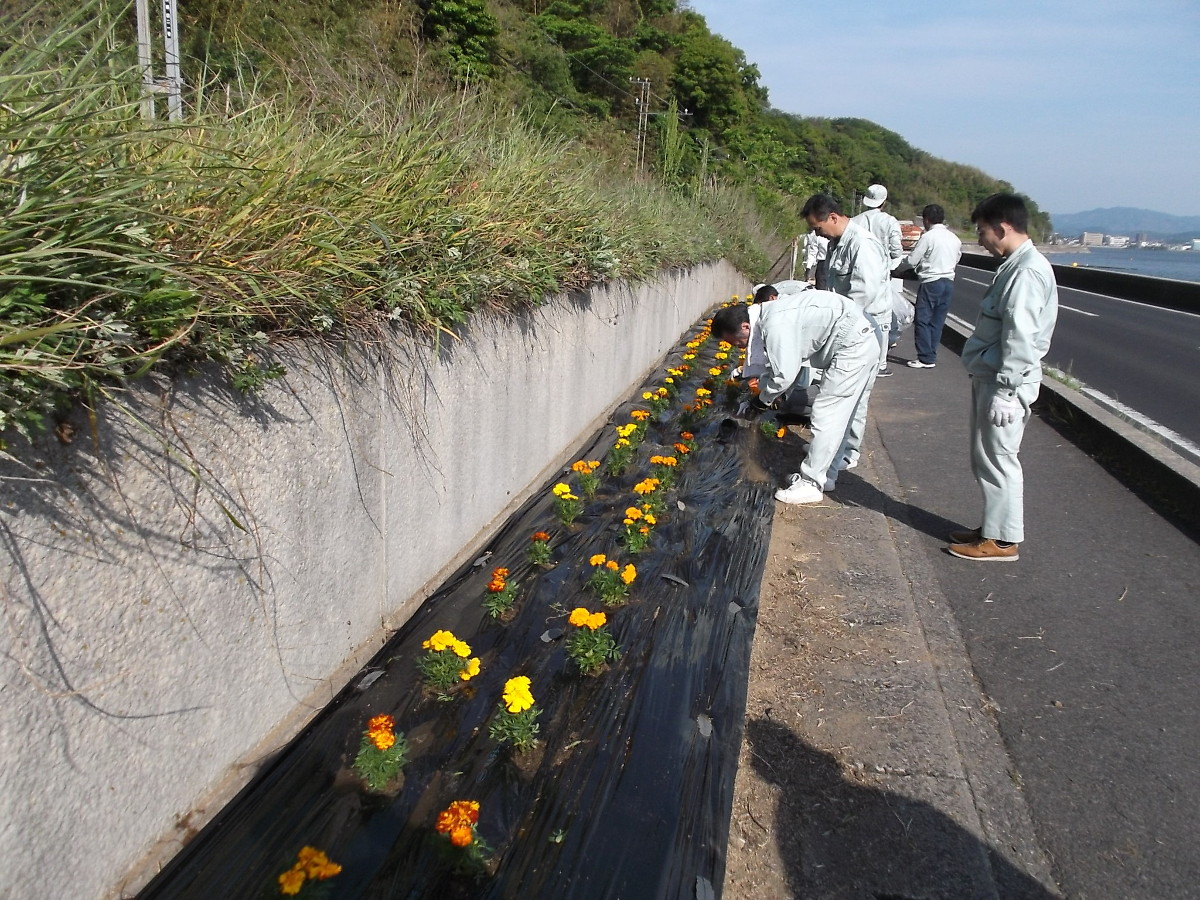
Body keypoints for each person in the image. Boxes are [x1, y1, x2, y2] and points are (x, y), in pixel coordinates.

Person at [949, 193, 1058, 561]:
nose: (980, 239)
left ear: (1003, 227)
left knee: (999, 458)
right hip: (995, 375)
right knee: (987, 456)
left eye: (982, 231)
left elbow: (1020, 336)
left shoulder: (1026, 271)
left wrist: (1008, 391)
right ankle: (993, 528)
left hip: (1004, 380)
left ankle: (1002, 540)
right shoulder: (1015, 264)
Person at [712, 290, 878, 504]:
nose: (739, 347)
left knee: (828, 415)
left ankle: (811, 483)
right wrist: (766, 390)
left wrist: (761, 401)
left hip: (853, 346)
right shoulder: (770, 316)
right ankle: (827, 473)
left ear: (745, 326)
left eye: (737, 342)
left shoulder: (774, 323)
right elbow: (784, 364)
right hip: (859, 340)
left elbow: (783, 375)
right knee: (841, 415)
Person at [802, 194, 892, 379]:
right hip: (849, 323)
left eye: (818, 228)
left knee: (847, 389)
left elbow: (864, 293)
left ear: (833, 217)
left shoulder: (861, 244)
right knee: (848, 392)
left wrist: (838, 325)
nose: (817, 234)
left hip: (864, 324)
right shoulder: (835, 244)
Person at [905, 204, 963, 368]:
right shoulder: (954, 238)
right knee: (937, 321)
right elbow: (957, 258)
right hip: (948, 282)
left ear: (926, 220)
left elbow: (912, 260)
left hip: (931, 282)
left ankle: (925, 357)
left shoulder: (928, 237)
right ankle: (930, 355)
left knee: (922, 319)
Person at [852, 183, 906, 355]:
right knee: (881, 318)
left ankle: (858, 353)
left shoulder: (855, 221)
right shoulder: (889, 221)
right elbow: (897, 250)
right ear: (884, 202)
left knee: (857, 314)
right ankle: (880, 362)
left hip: (857, 273)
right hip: (881, 275)